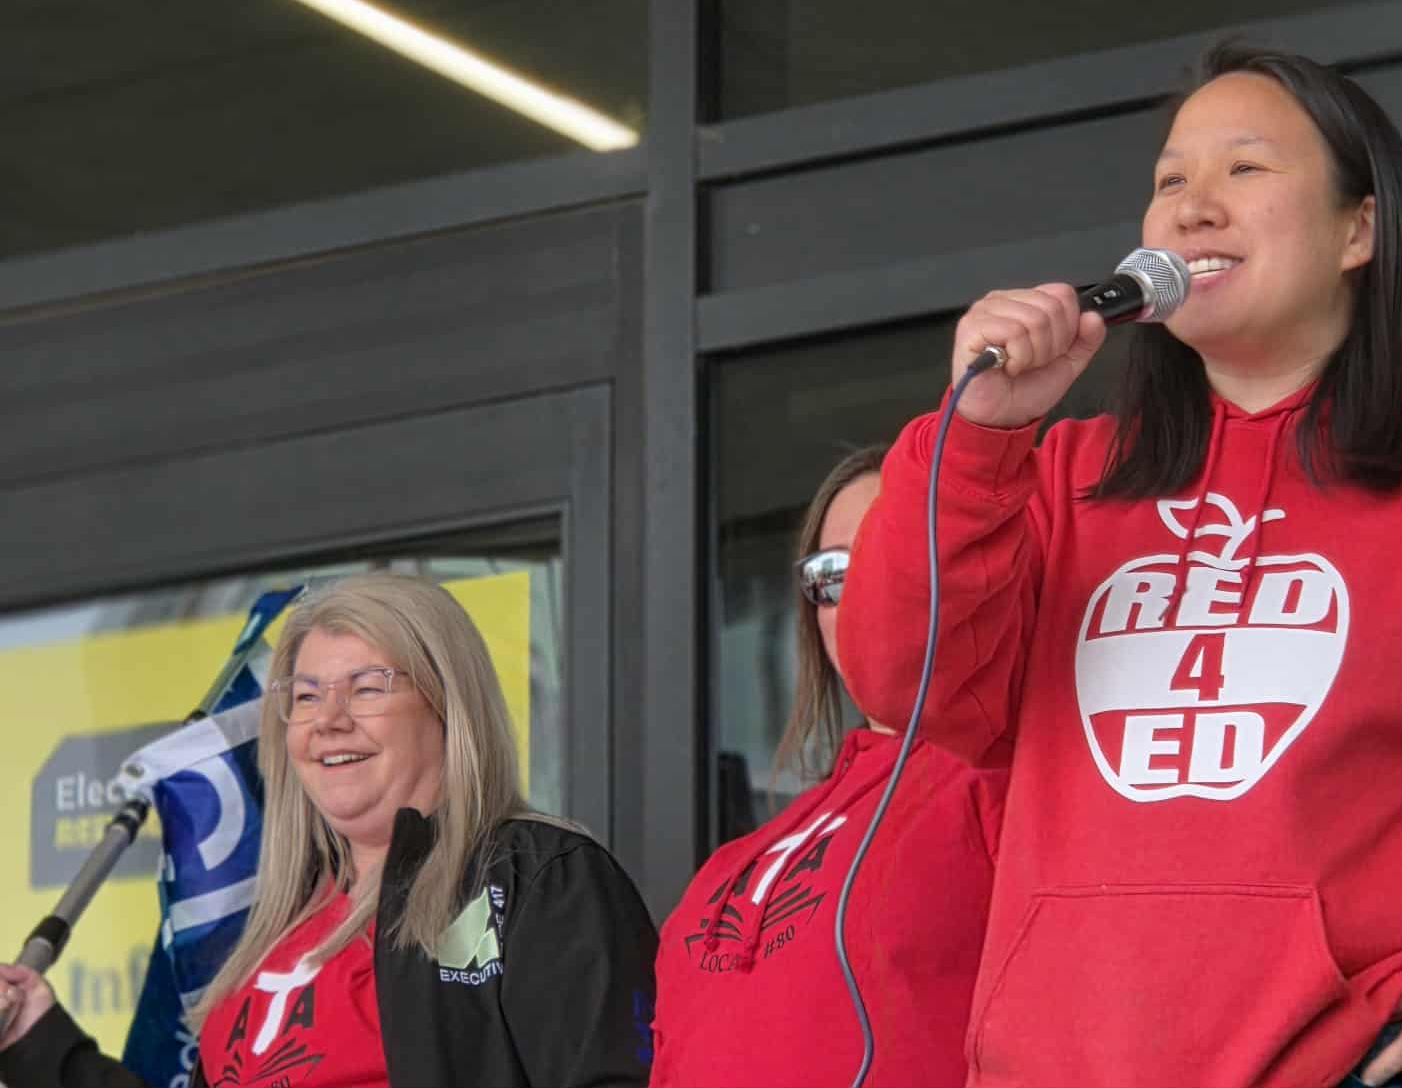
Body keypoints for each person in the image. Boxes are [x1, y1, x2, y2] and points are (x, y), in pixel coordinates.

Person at [835, 43, 1402, 1088]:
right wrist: (981, 439)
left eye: (1243, 168)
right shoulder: (1058, 476)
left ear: (1358, 230)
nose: (1192, 208)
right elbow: (903, 681)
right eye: (1169, 182)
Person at [0, 573, 657, 1087]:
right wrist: (40, 1041)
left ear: (446, 703)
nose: (328, 720)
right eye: (307, 696)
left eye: (366, 688)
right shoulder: (274, 931)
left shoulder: (538, 878)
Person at [651, 446, 1006, 1087]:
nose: (861, 593)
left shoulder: (1005, 783)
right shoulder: (732, 862)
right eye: (832, 573)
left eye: (892, 556)